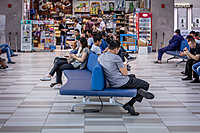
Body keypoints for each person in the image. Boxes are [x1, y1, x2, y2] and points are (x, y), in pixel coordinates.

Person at [98, 40, 154, 116]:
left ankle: (139, 91)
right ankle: (130, 103)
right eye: (118, 49)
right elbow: (125, 73)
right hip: (121, 82)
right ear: (115, 49)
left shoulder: (101, 57)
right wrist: (125, 64)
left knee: (133, 76)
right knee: (145, 85)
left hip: (111, 81)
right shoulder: (116, 57)